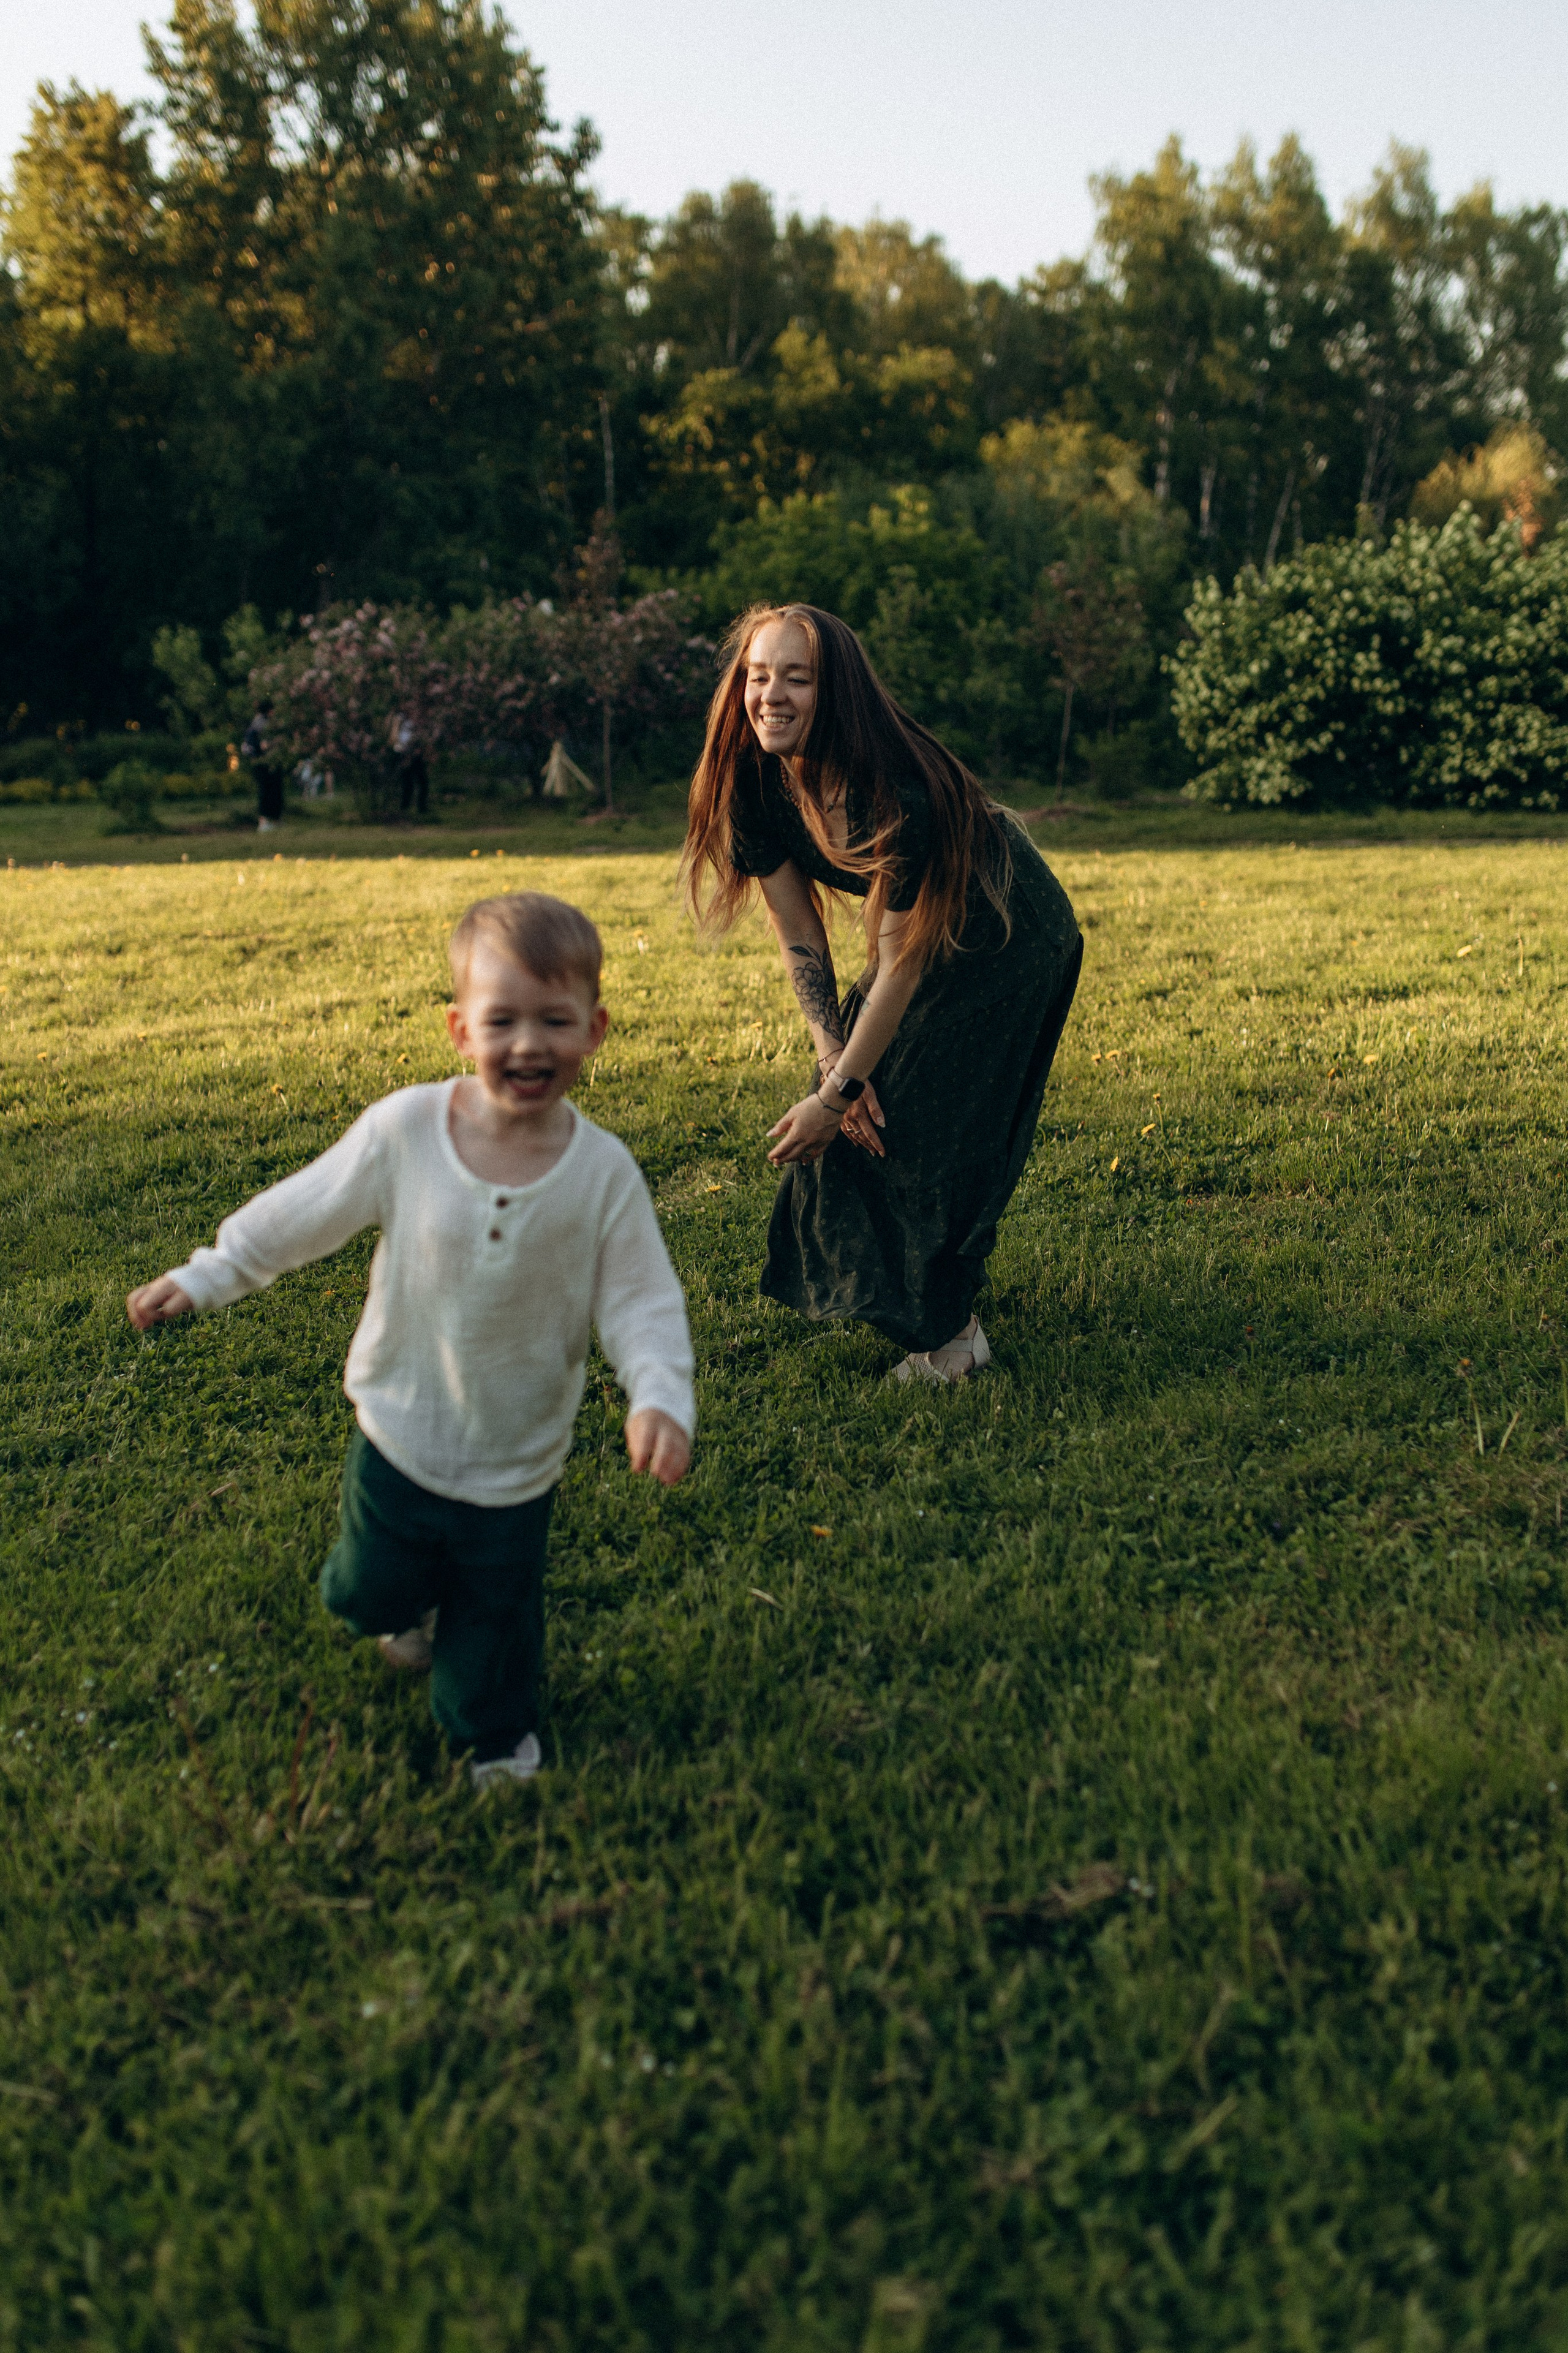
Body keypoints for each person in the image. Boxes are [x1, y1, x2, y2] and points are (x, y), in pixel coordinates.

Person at [126, 893, 695, 1786]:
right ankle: (398, 1607)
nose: (529, 1044)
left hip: (518, 1456)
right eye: (502, 1020)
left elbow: (641, 1300)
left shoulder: (604, 1175)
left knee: (496, 1615)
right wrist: (208, 1273)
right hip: (400, 1432)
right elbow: (301, 1214)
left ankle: (495, 1739)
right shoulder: (404, 1132)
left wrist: (659, 1393)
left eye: (555, 1020)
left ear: (596, 1030)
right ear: (460, 1031)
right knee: (369, 1591)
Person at [683, 605, 1082, 1384]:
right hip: (925, 942)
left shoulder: (893, 790)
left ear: (837, 694)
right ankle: (930, 1301)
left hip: (1010, 935)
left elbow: (897, 967)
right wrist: (834, 1057)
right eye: (758, 676)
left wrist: (838, 1097)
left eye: (797, 678)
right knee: (862, 1106)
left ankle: (953, 1342)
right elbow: (800, 934)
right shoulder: (752, 784)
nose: (771, 695)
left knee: (915, 1120)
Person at [242, 702, 284, 831]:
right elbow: (263, 746)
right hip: (265, 762)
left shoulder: (257, 723)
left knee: (270, 790)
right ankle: (266, 820)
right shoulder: (263, 724)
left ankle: (271, 819)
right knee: (268, 791)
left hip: (263, 762)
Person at [390, 711, 429, 818]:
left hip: (413, 757)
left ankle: (418, 808)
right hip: (407, 756)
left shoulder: (410, 725)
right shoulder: (404, 724)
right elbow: (401, 742)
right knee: (409, 784)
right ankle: (407, 808)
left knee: (417, 784)